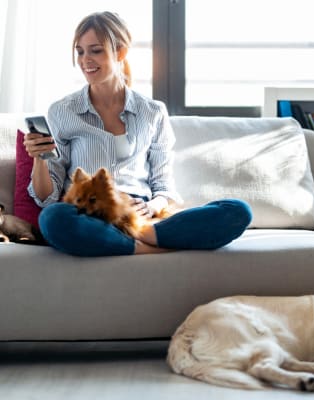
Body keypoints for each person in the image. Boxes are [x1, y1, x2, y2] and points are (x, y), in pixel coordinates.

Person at [23, 11, 252, 256]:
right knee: (52, 217)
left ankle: (141, 236)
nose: (85, 60)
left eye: (95, 50)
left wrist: (150, 207)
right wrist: (39, 157)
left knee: (237, 211)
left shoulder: (152, 112)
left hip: (139, 215)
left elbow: (164, 187)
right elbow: (47, 197)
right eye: (80, 51)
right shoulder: (63, 111)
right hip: (87, 213)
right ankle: (146, 247)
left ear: (120, 52)